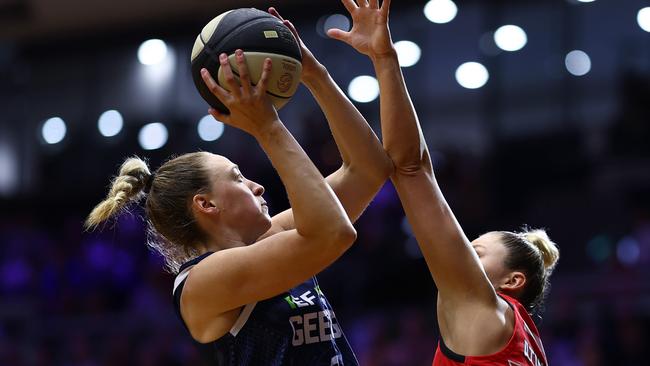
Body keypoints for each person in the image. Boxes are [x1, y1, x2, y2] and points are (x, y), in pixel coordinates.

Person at [85, 7, 393, 365]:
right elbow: (334, 233)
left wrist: (315, 76)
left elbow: (370, 169)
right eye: (237, 177)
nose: (258, 186)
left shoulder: (271, 240)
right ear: (207, 205)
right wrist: (267, 127)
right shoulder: (200, 284)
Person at [328, 0, 559, 364]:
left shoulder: (485, 308)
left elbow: (411, 169)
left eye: (476, 252)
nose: (460, 250)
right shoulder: (529, 343)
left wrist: (384, 59)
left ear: (512, 282)